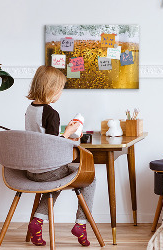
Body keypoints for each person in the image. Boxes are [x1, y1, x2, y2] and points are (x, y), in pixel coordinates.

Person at [25, 65, 95, 247]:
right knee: (90, 178)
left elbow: (42, 138)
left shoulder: (30, 109)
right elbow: (52, 145)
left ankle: (37, 222)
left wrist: (64, 133)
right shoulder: (51, 113)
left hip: (31, 170)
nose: (61, 93)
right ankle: (81, 224)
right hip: (48, 170)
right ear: (52, 89)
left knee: (56, 182)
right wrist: (69, 133)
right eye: (61, 89)